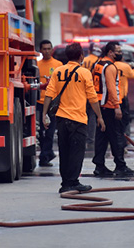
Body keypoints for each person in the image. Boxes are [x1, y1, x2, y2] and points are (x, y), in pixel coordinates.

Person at [42, 42, 105, 194]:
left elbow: (49, 94)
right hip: (78, 119)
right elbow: (92, 98)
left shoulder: (58, 71)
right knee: (77, 152)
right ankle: (73, 182)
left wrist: (44, 115)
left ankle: (65, 183)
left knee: (64, 151)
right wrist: (99, 117)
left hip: (61, 119)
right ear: (81, 56)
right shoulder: (84, 73)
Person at [92, 41, 134, 177]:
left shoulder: (98, 64)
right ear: (110, 52)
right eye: (118, 51)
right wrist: (117, 106)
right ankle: (120, 166)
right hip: (110, 106)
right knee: (116, 137)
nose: (120, 53)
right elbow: (112, 88)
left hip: (100, 106)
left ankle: (99, 166)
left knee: (101, 137)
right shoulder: (110, 67)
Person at [36, 40, 58, 167]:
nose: (47, 51)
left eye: (49, 48)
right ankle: (47, 154)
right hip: (40, 102)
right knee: (41, 132)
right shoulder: (36, 65)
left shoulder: (58, 64)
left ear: (52, 49)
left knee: (50, 132)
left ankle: (45, 156)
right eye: (44, 49)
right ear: (40, 50)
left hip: (53, 103)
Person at [114, 50, 134, 138]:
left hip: (111, 97)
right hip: (122, 96)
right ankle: (124, 137)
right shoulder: (125, 67)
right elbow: (133, 75)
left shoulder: (110, 65)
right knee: (125, 119)